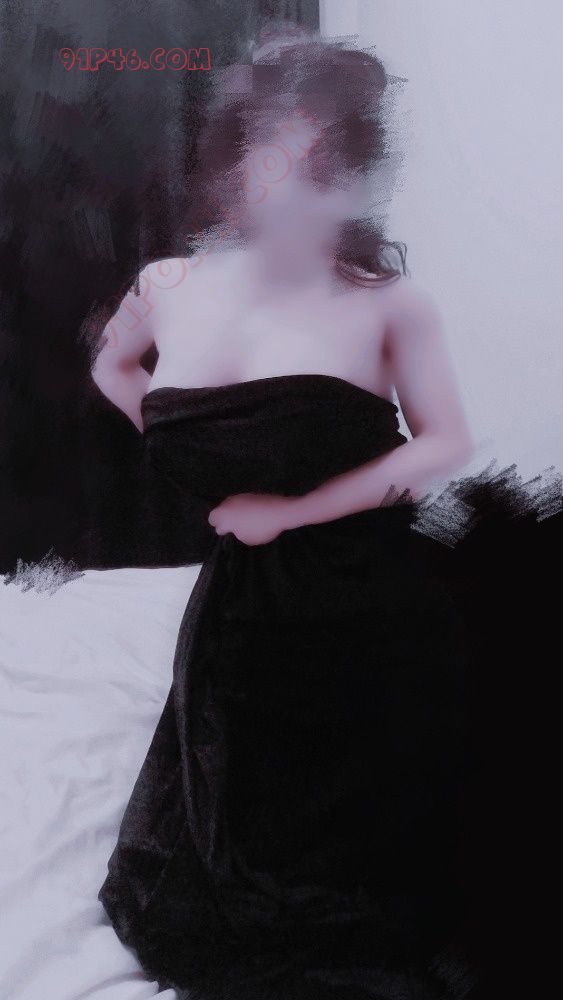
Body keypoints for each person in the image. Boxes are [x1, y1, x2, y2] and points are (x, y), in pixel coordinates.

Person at [94, 32, 479, 1000]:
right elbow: (113, 367)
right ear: (234, 154)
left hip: (364, 595)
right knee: (220, 853)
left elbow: (442, 444)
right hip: (242, 605)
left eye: (318, 159)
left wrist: (290, 510)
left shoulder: (388, 304)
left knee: (376, 874)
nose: (288, 181)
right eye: (270, 147)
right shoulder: (165, 286)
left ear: (349, 174)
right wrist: (191, 464)